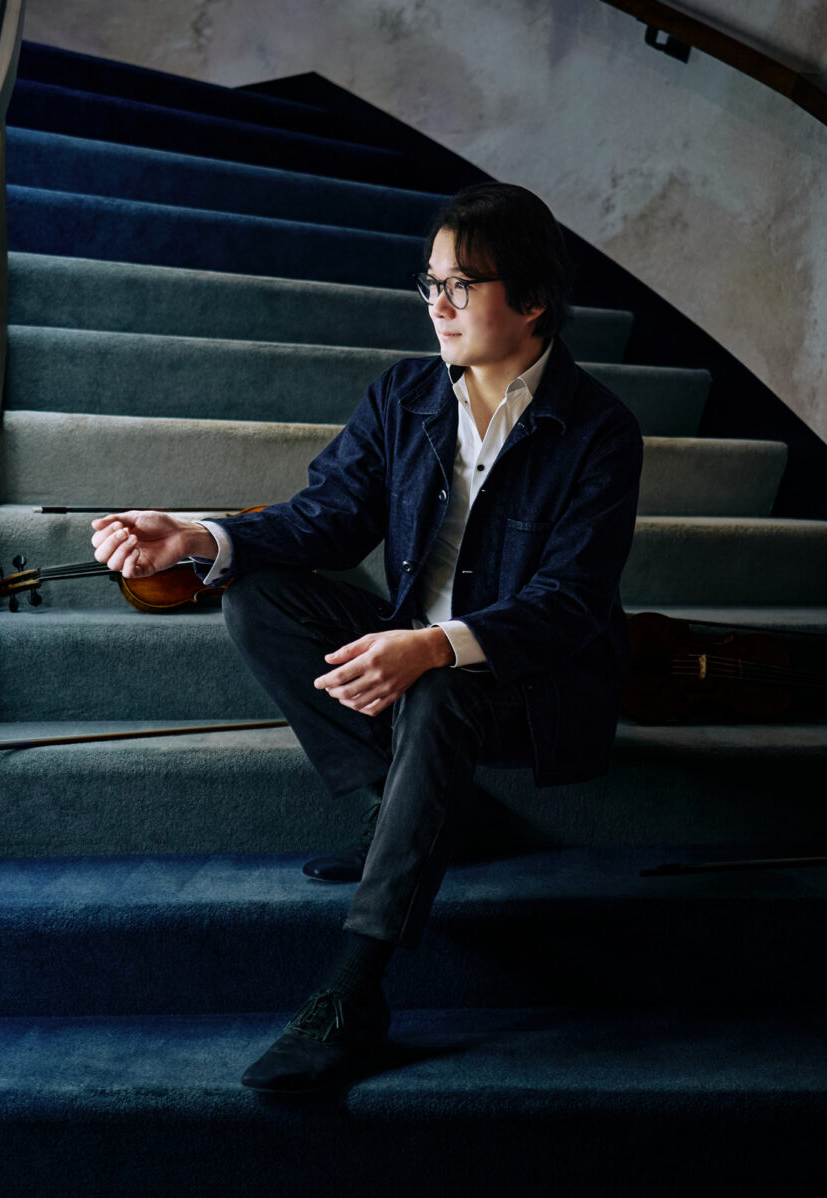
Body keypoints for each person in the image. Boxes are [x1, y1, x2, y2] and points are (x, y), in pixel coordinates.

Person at [89, 182, 644, 1092]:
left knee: (442, 679)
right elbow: (327, 520)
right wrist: (196, 537)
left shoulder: (600, 432)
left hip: (527, 683)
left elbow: (569, 604)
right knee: (256, 598)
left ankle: (356, 987)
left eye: (462, 285)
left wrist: (433, 645)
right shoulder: (405, 396)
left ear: (534, 300)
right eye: (430, 283)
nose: (438, 305)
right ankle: (396, 808)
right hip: (414, 654)